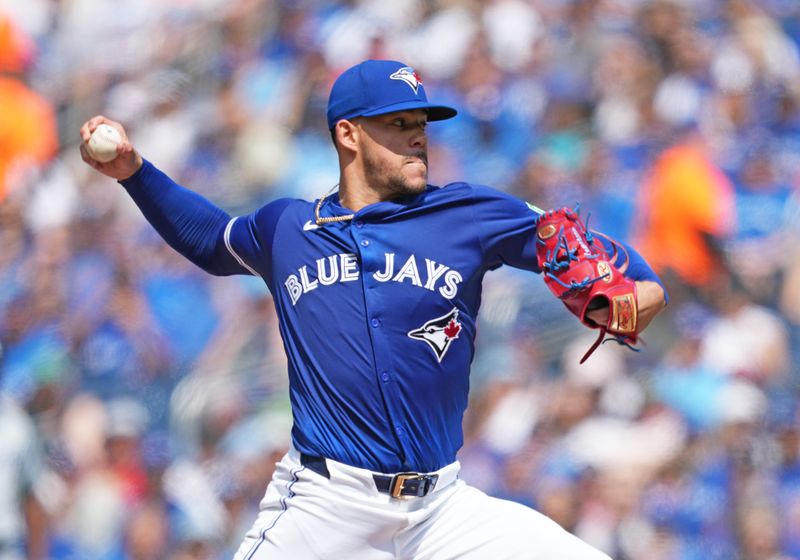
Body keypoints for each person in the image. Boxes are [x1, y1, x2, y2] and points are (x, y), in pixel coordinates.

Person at [80, 59, 667, 560]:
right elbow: (211, 239)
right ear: (348, 135)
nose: (418, 136)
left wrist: (639, 288)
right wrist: (135, 172)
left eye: (421, 124)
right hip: (325, 504)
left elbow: (596, 261)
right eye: (399, 124)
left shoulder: (466, 215)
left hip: (441, 510)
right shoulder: (287, 227)